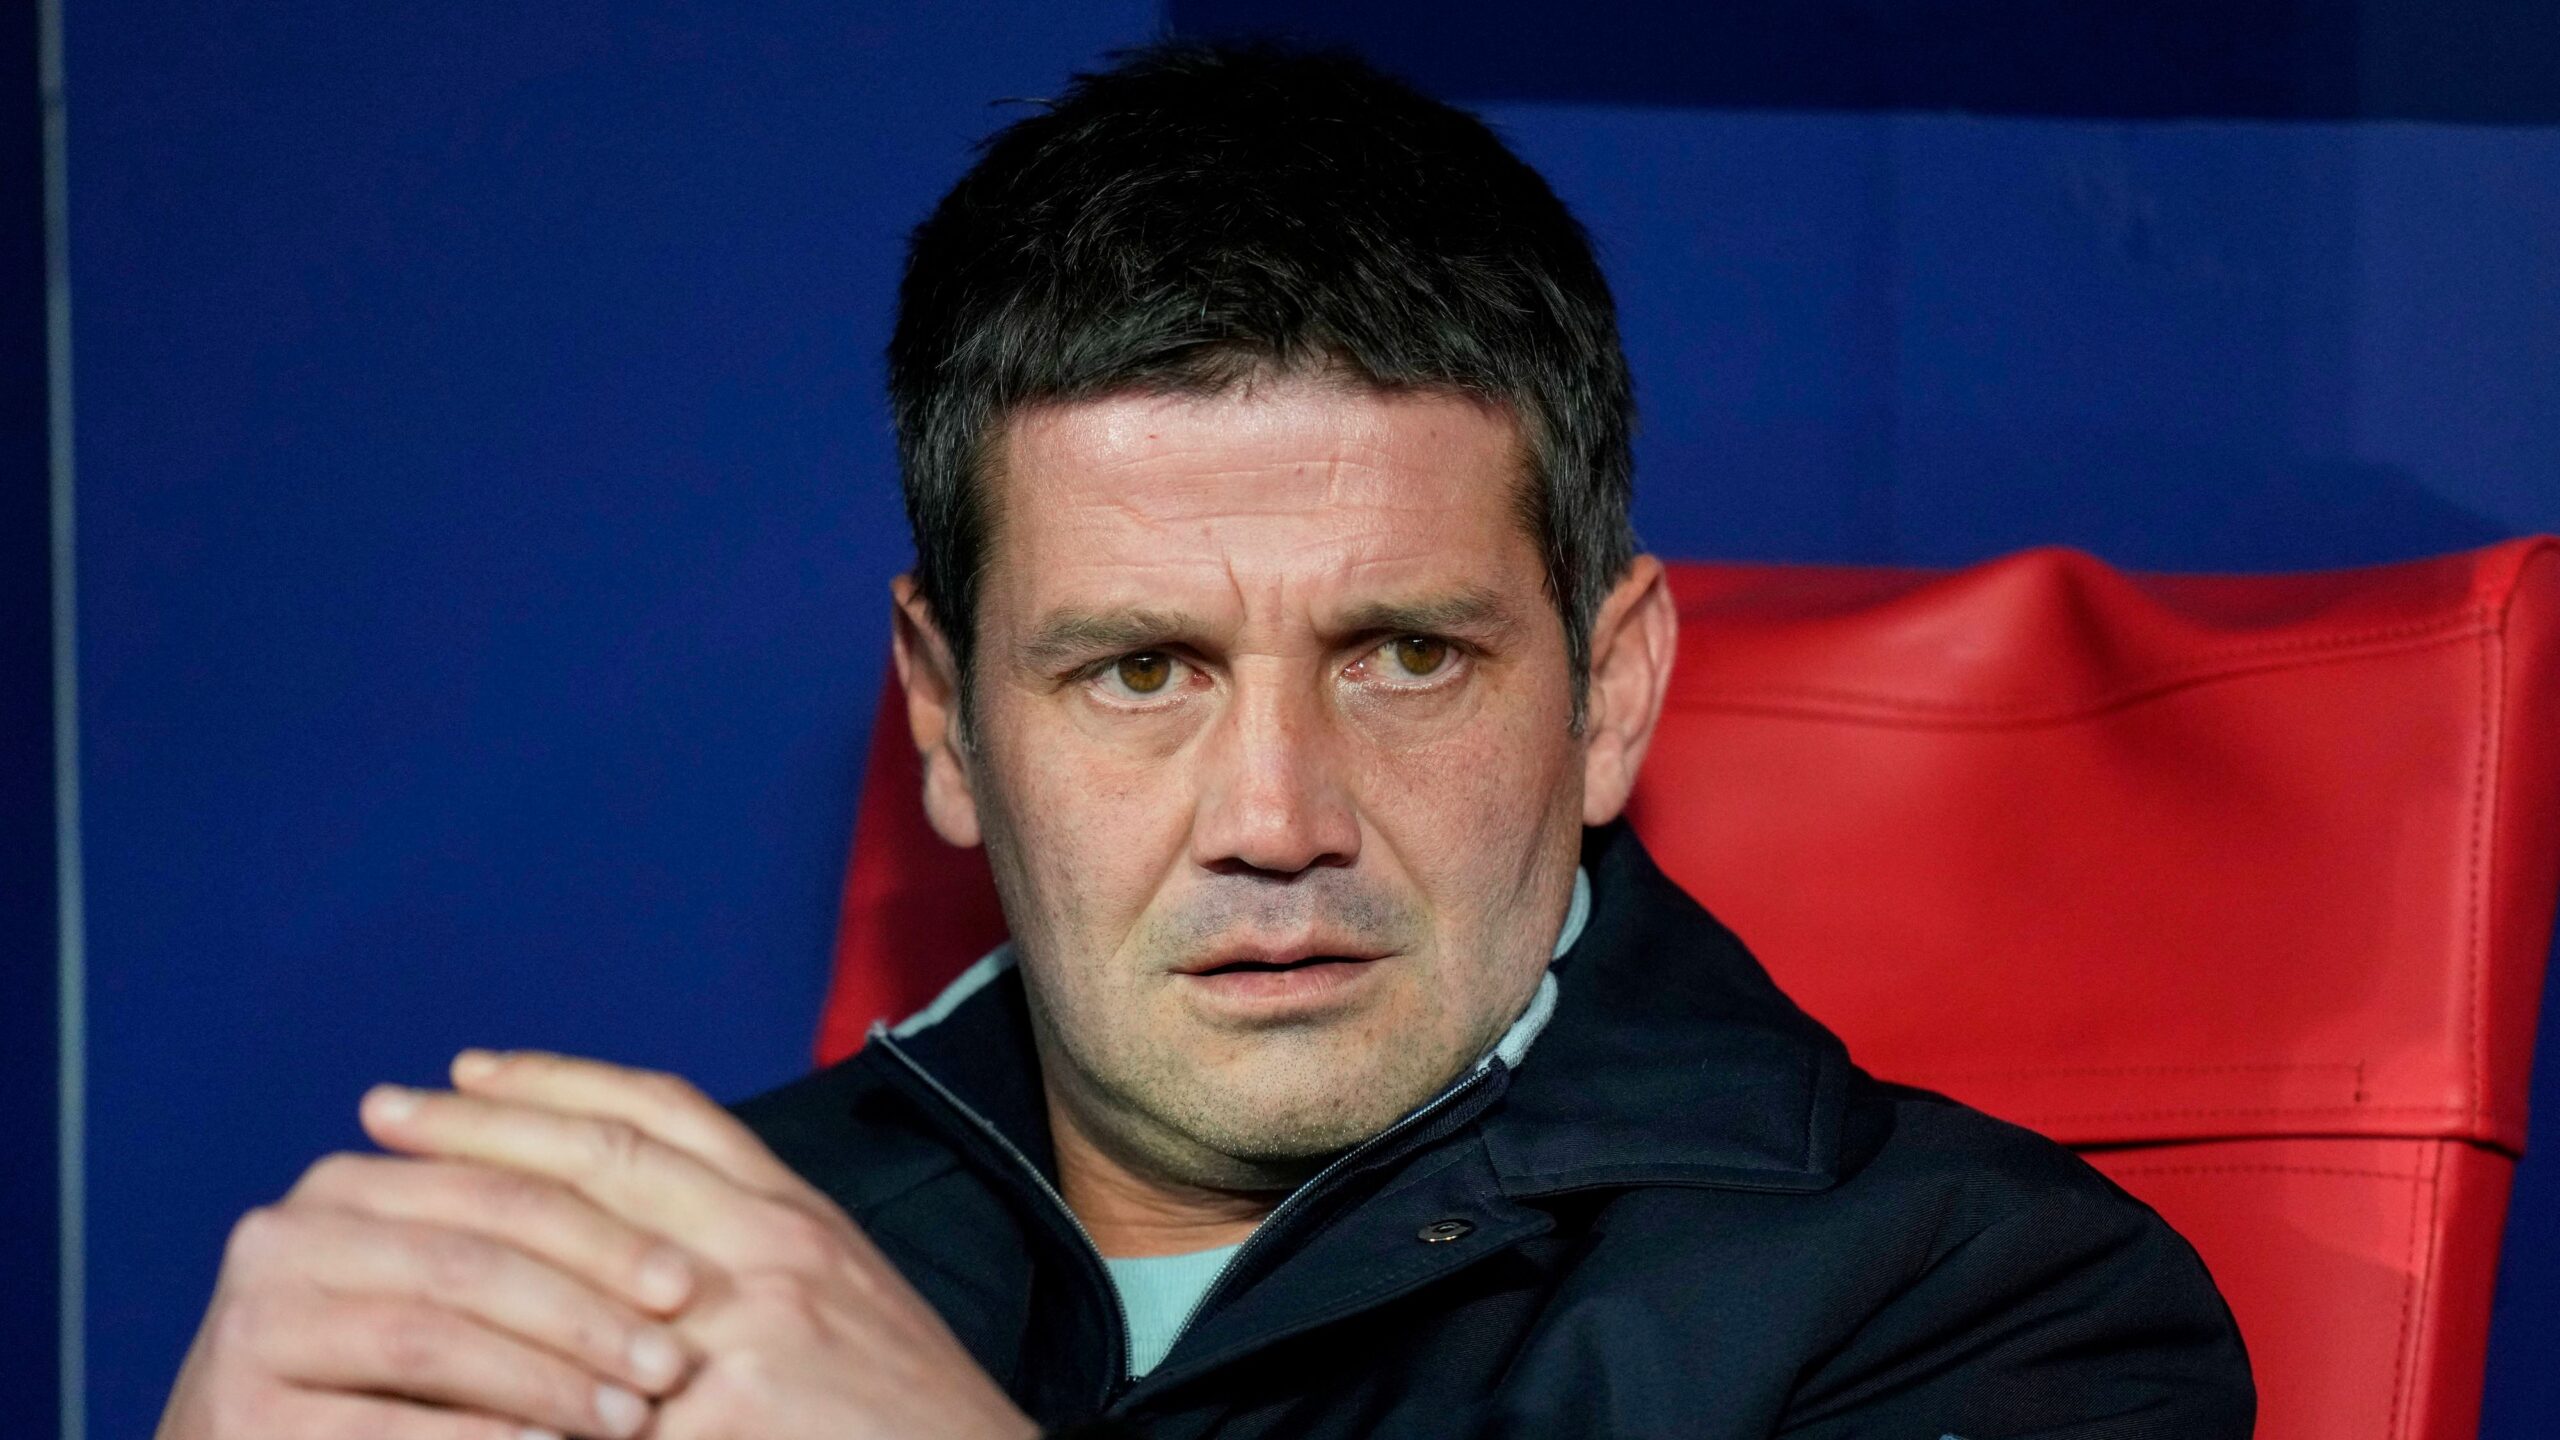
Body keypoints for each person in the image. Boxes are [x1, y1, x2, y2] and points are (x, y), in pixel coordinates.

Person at [157, 41, 2254, 1440]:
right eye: (1140, 670)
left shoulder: (1990, 1311)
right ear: (944, 718)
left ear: (1609, 690)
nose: (1275, 817)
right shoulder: (647, 1280)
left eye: (1404, 655)